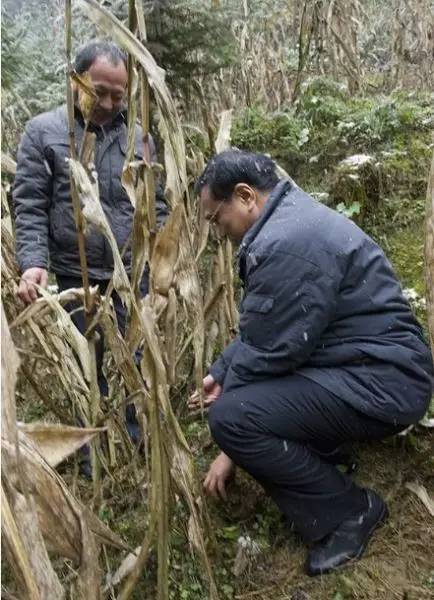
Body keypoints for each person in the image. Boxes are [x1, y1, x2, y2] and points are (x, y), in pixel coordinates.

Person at [190, 149, 433, 576]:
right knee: (242, 402)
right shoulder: (291, 218)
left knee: (232, 418)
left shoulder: (286, 243)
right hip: (370, 364)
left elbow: (276, 350)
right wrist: (223, 370)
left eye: (216, 219)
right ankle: (328, 449)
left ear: (245, 195)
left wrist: (230, 444)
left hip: (385, 381)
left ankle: (349, 513)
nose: (219, 232)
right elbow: (267, 326)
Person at [13, 41, 168, 463]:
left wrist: (160, 261)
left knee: (135, 360)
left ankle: (136, 445)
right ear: (75, 79)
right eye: (99, 90)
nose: (108, 103)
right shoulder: (44, 132)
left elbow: (157, 206)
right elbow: (28, 204)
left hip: (127, 273)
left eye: (119, 95)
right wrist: (34, 264)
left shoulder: (139, 137)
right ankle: (91, 456)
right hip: (72, 273)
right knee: (85, 365)